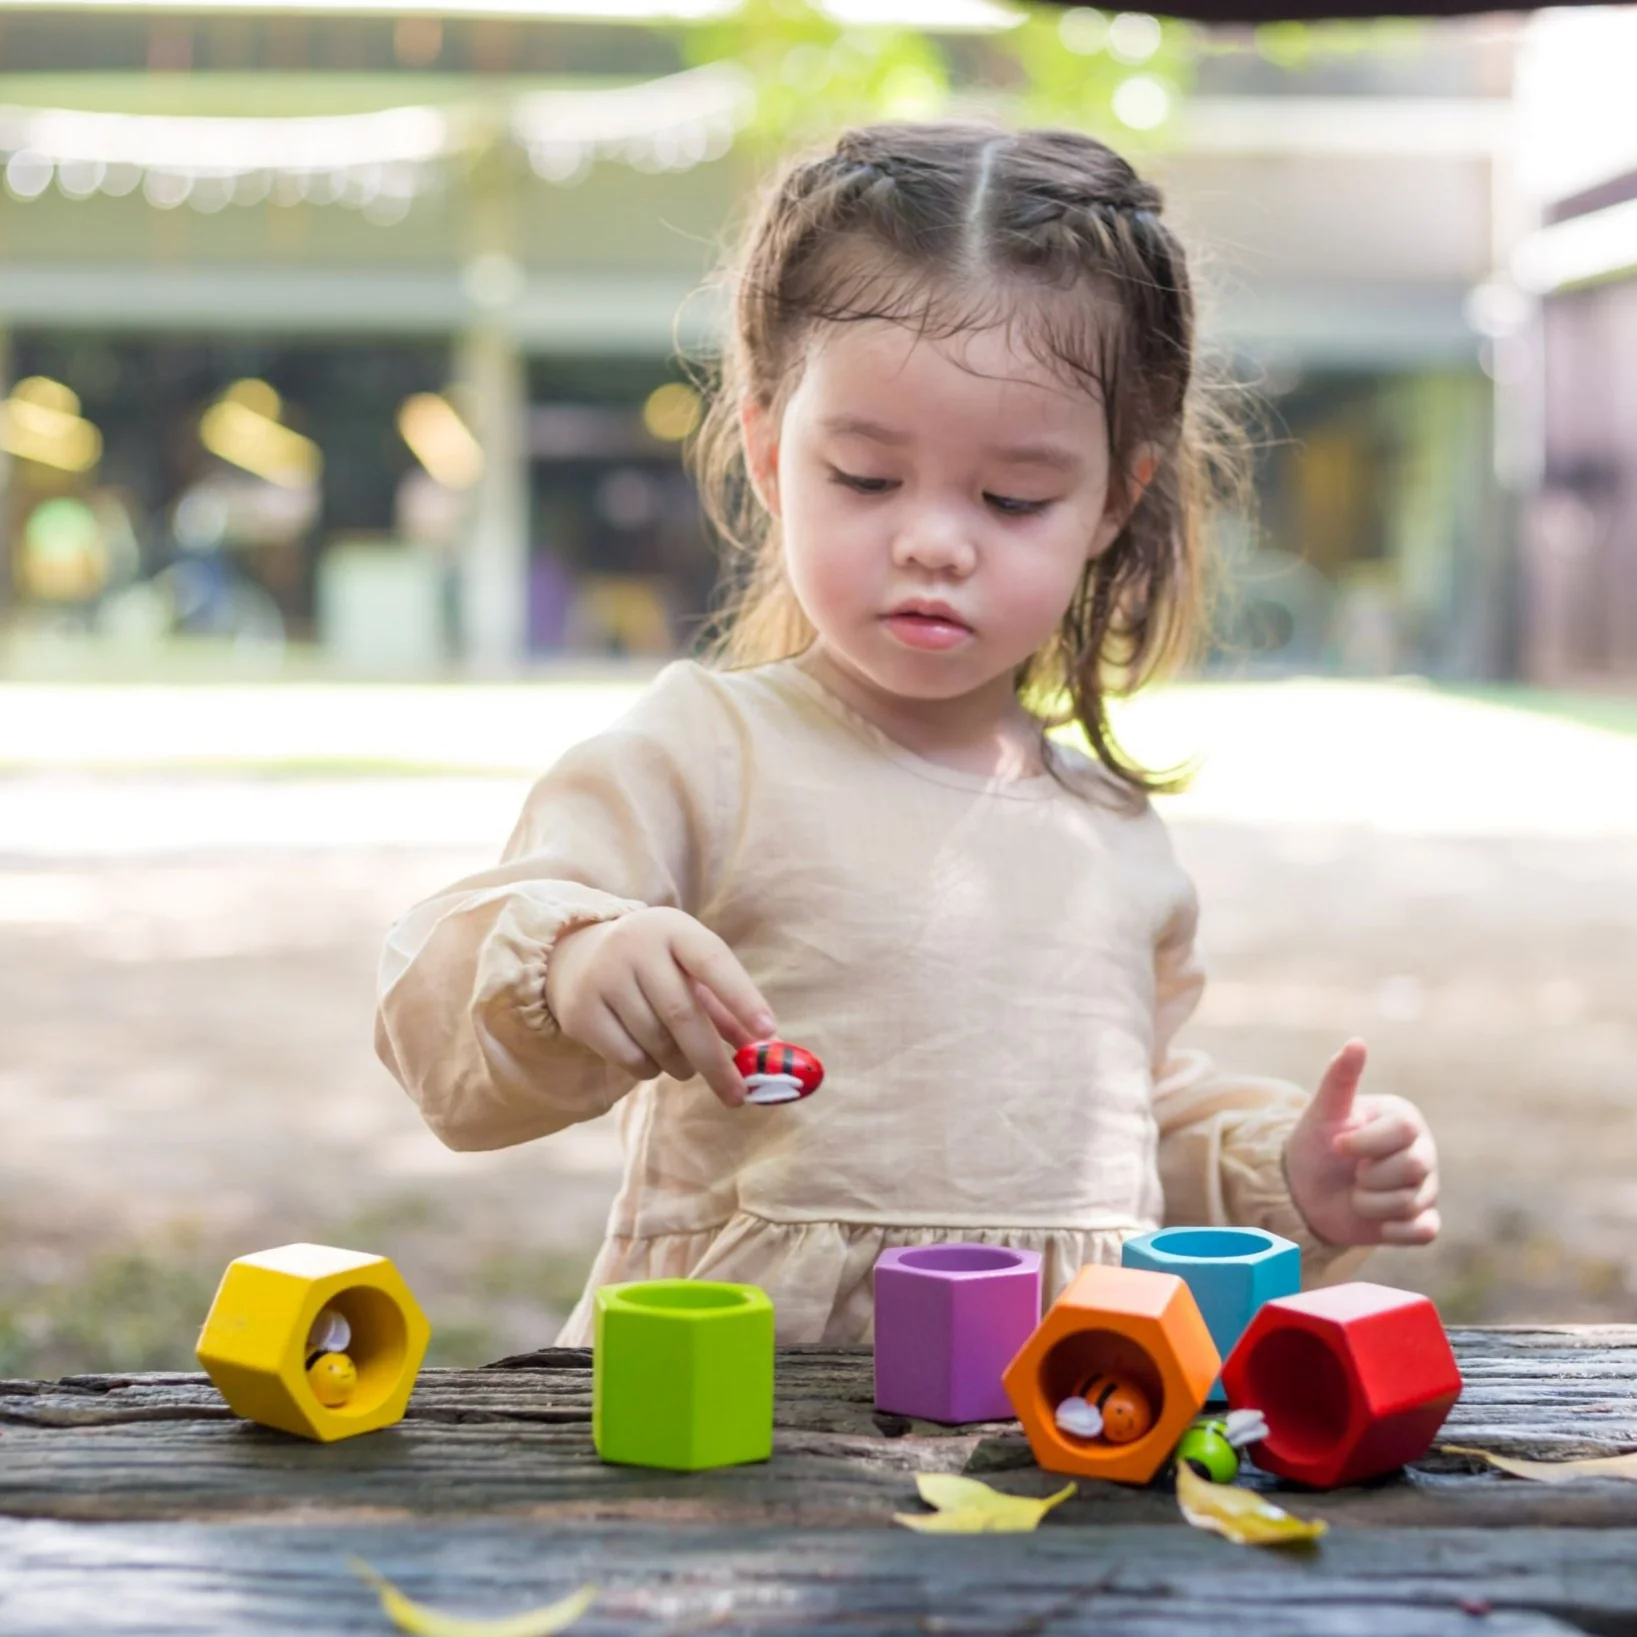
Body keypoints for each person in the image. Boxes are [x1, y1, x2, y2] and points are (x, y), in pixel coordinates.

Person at [376, 123, 1440, 1345]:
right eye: (866, 477)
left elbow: (1116, 1133)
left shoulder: (1109, 829)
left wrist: (1286, 1177)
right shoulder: (702, 756)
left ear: (1113, 498)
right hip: (745, 1409)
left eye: (1012, 497)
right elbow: (439, 1033)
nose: (933, 540)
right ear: (768, 451)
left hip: (1057, 1415)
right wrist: (571, 960)